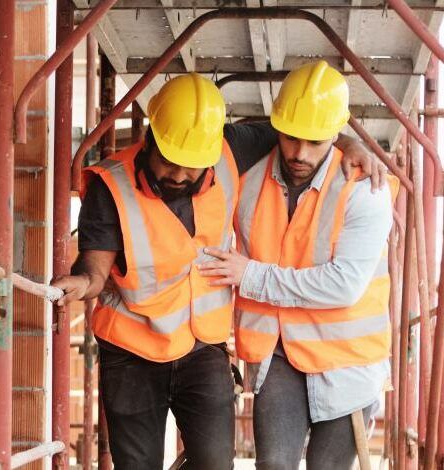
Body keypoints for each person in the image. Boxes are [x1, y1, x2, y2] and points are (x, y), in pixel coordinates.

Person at [50, 71, 381, 470]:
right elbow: (95, 268)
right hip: (132, 352)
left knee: (215, 464)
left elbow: (302, 133)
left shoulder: (231, 148)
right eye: (170, 162)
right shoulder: (112, 186)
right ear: (152, 140)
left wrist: (348, 142)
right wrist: (83, 282)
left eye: (193, 166)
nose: (180, 175)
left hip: (201, 346)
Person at [199, 60, 394, 470]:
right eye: (290, 138)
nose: (299, 153)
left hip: (346, 361)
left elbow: (343, 285)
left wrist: (251, 275)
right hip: (278, 352)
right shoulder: (248, 176)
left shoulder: (365, 189)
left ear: (336, 134)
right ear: (276, 126)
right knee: (273, 464)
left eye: (315, 142)